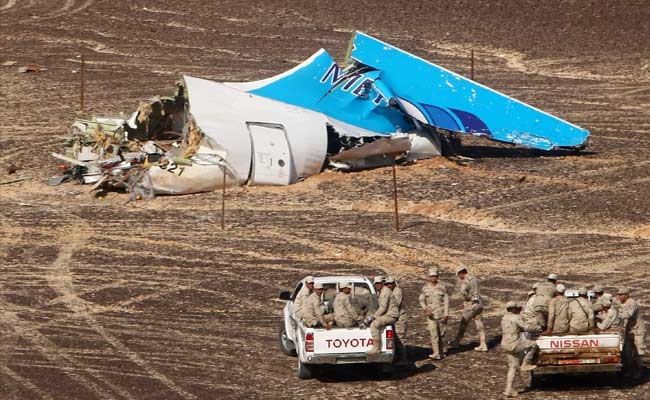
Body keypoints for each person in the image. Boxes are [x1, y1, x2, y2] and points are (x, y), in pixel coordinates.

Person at [501, 301, 541, 397]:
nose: (519, 310)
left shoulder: (504, 318)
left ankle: (508, 389)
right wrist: (538, 328)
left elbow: (514, 328)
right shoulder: (516, 317)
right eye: (518, 309)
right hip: (514, 344)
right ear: (514, 309)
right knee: (533, 344)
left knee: (513, 367)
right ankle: (526, 363)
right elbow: (526, 327)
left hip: (505, 344)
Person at [450, 265, 487, 352]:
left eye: (458, 275)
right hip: (478, 304)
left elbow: (463, 292)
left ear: (461, 273)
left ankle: (456, 342)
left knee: (463, 323)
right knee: (479, 325)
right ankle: (483, 344)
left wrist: (467, 299)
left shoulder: (466, 281)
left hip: (471, 305)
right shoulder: (474, 278)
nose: (459, 277)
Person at [419, 268, 450, 360]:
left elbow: (446, 301)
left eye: (435, 276)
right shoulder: (425, 288)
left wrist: (446, 314)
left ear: (437, 277)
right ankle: (436, 353)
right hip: (431, 315)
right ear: (429, 277)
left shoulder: (442, 287)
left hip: (441, 314)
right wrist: (425, 308)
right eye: (432, 276)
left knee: (442, 334)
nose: (433, 278)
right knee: (433, 334)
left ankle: (441, 352)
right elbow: (421, 300)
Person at [618, 288, 646, 380]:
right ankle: (629, 371)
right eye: (619, 294)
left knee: (638, 352)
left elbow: (629, 314)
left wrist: (616, 316)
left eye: (622, 294)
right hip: (628, 331)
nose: (620, 296)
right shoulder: (622, 304)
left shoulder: (631, 303)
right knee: (627, 352)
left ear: (627, 295)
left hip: (637, 331)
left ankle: (639, 372)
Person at [367, 276, 399, 355]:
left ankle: (377, 348)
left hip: (391, 315)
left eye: (379, 283)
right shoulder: (380, 291)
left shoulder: (385, 292)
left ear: (382, 283)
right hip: (386, 314)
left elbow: (383, 308)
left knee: (374, 325)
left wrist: (374, 316)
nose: (377, 285)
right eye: (376, 284)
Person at [385, 277, 408, 365]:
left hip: (400, 318)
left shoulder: (397, 291)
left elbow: (396, 305)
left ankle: (403, 359)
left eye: (390, 284)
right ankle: (397, 357)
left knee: (400, 338)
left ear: (394, 283)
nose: (389, 285)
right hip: (394, 317)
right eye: (387, 284)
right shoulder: (390, 291)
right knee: (394, 338)